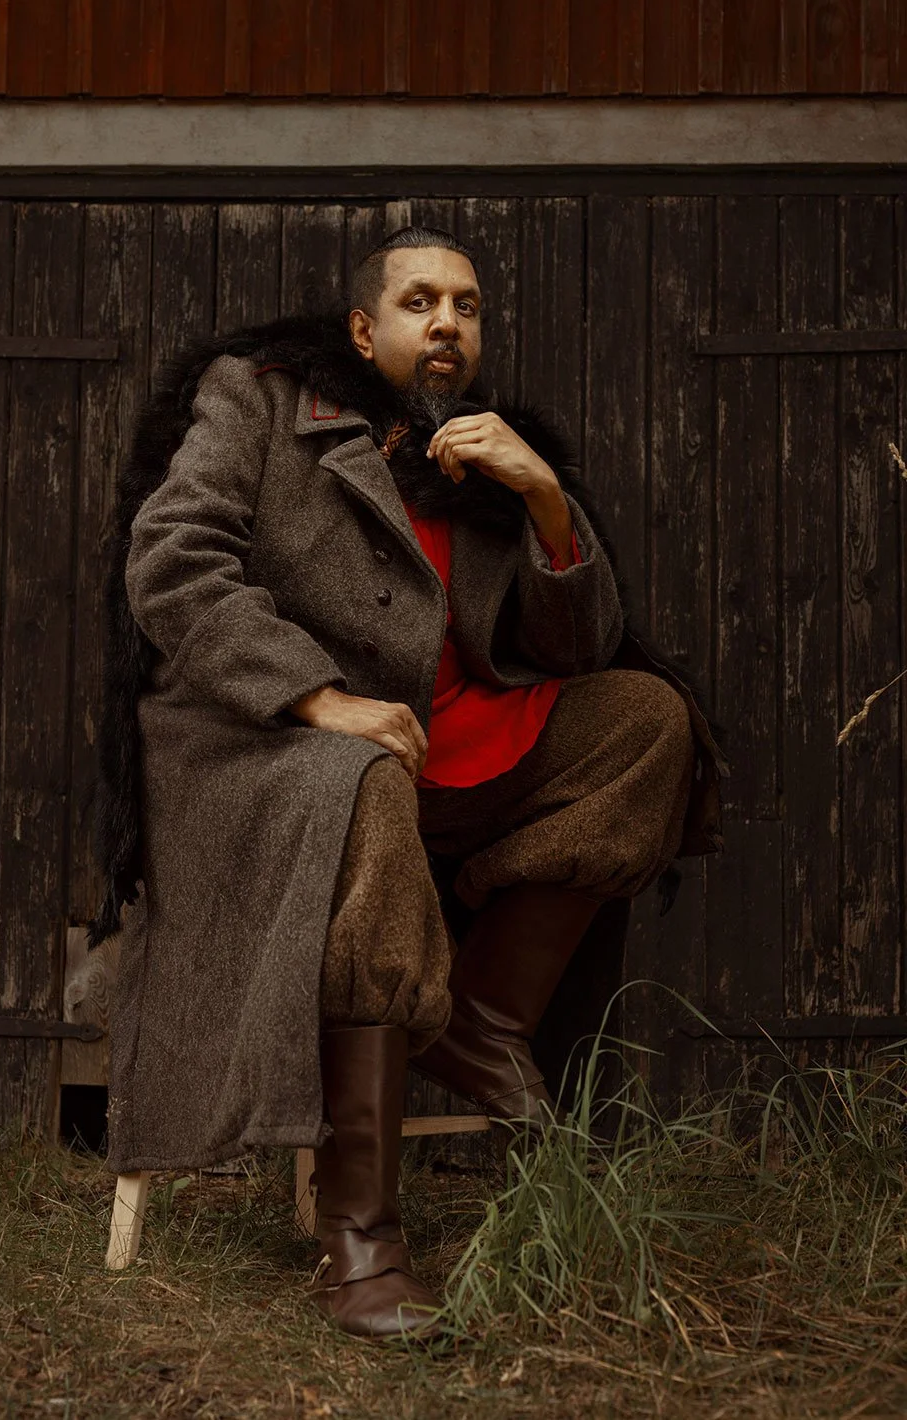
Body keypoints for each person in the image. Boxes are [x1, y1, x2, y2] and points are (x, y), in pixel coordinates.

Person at [91, 226, 730, 1339]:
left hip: (441, 742)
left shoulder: (482, 451)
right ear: (363, 327)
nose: (446, 323)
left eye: (467, 307)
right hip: (266, 747)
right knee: (366, 773)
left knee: (645, 719)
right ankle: (363, 1242)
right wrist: (315, 699)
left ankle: (474, 1015)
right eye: (421, 301)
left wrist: (541, 502)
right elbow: (173, 559)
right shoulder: (262, 402)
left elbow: (577, 649)